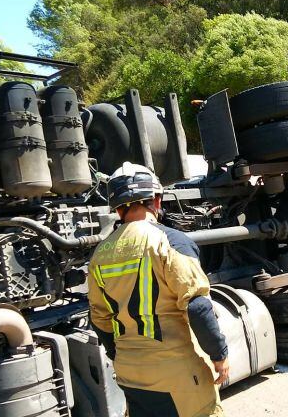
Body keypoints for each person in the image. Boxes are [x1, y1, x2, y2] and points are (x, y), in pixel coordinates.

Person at [88, 162, 229, 417]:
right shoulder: (170, 241)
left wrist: (119, 354)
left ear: (118, 208)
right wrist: (219, 354)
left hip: (129, 372)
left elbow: (99, 319)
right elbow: (196, 306)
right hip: (175, 374)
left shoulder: (100, 254)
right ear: (156, 200)